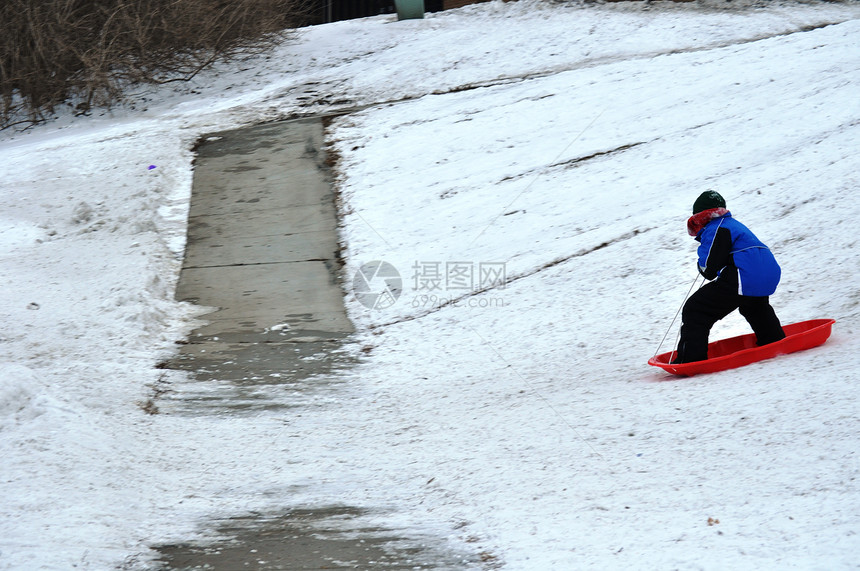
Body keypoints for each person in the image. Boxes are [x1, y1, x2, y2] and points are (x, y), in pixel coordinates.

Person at [673, 190, 785, 363]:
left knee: (696, 309)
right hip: (767, 272)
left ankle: (690, 359)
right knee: (754, 306)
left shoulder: (715, 228)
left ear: (700, 217)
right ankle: (774, 340)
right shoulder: (734, 224)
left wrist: (701, 265)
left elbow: (709, 269)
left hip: (745, 273)